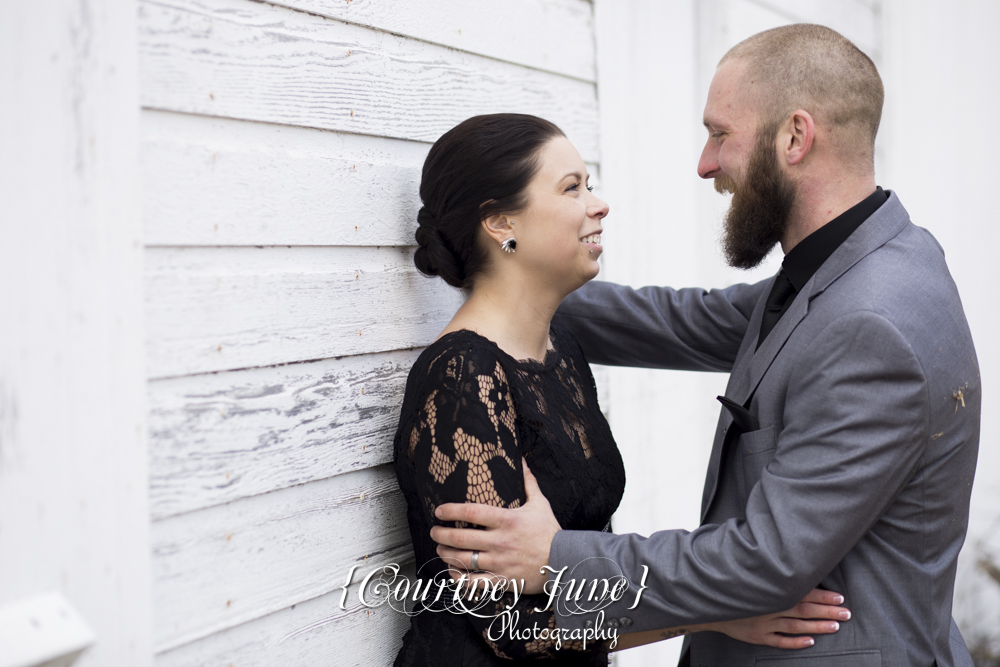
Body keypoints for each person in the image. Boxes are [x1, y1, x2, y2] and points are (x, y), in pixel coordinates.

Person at [429, 25, 981, 667]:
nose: (706, 162)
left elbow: (766, 562)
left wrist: (555, 560)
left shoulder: (869, 323)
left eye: (721, 134)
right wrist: (516, 279)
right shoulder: (876, 257)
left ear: (795, 138)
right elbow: (684, 321)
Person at [393, 113, 851, 667]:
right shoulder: (462, 380)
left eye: (589, 184)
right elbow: (508, 626)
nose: (598, 203)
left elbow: (581, 557)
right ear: (500, 222)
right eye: (572, 188)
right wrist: (718, 610)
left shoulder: (560, 352)